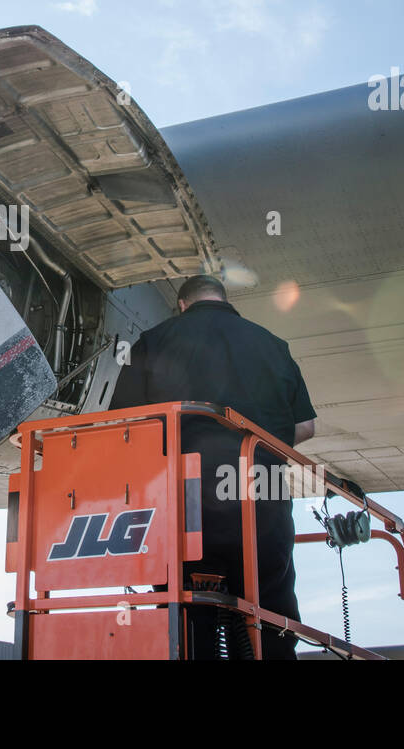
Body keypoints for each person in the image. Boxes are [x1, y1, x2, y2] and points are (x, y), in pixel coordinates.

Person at [109, 274, 316, 659]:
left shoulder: (155, 340)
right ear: (223, 299)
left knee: (187, 611)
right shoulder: (274, 345)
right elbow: (305, 427)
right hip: (263, 490)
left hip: (187, 498)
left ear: (182, 304)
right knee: (269, 608)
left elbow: (128, 428)